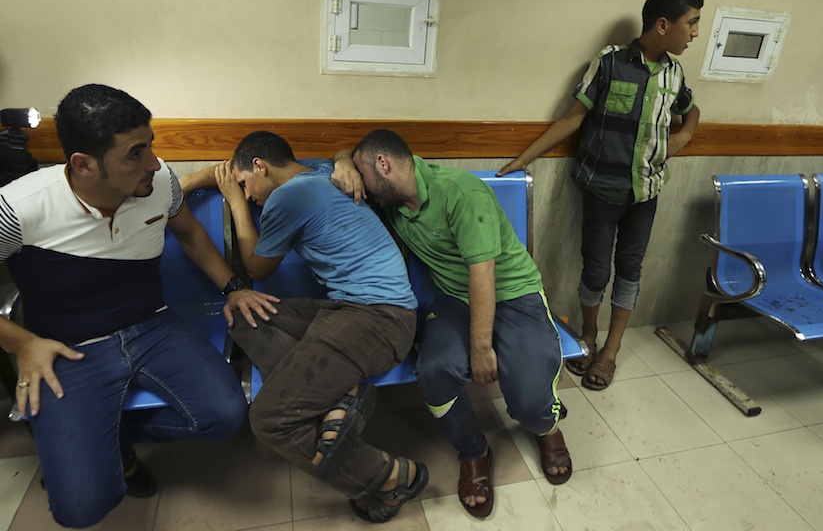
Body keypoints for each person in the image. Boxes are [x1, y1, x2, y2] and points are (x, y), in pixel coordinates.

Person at [0, 84, 278, 528]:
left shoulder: (158, 181)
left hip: (152, 326)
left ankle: (102, 440)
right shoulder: (18, 207)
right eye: (135, 153)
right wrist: (24, 344)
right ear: (83, 164)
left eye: (151, 145)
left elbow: (188, 232)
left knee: (227, 416)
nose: (153, 162)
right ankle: (94, 454)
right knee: (81, 508)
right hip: (67, 346)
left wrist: (233, 288)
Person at [180, 130, 427, 523]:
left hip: (380, 320)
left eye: (245, 185)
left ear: (260, 167)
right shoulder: (318, 170)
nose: (246, 194)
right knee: (244, 315)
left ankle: (391, 476)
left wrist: (236, 207)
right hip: (347, 310)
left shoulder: (286, 198)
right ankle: (337, 398)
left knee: (269, 420)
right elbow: (233, 170)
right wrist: (189, 183)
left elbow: (257, 268)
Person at [331, 129, 572, 518]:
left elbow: (484, 274)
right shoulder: (391, 196)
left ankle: (547, 428)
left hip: (513, 292)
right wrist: (344, 161)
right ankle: (474, 450)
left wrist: (480, 349)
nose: (363, 188)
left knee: (529, 399)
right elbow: (347, 156)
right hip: (455, 299)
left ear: (384, 165)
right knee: (434, 370)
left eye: (363, 173)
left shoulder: (460, 192)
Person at [498, 0, 703, 391]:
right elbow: (573, 118)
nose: (695, 33)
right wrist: (523, 159)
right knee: (595, 269)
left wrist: (682, 138)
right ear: (663, 25)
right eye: (691, 23)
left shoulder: (674, 74)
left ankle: (610, 351)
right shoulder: (608, 63)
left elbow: (690, 110)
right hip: (601, 188)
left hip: (646, 193)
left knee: (630, 270)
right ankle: (588, 335)